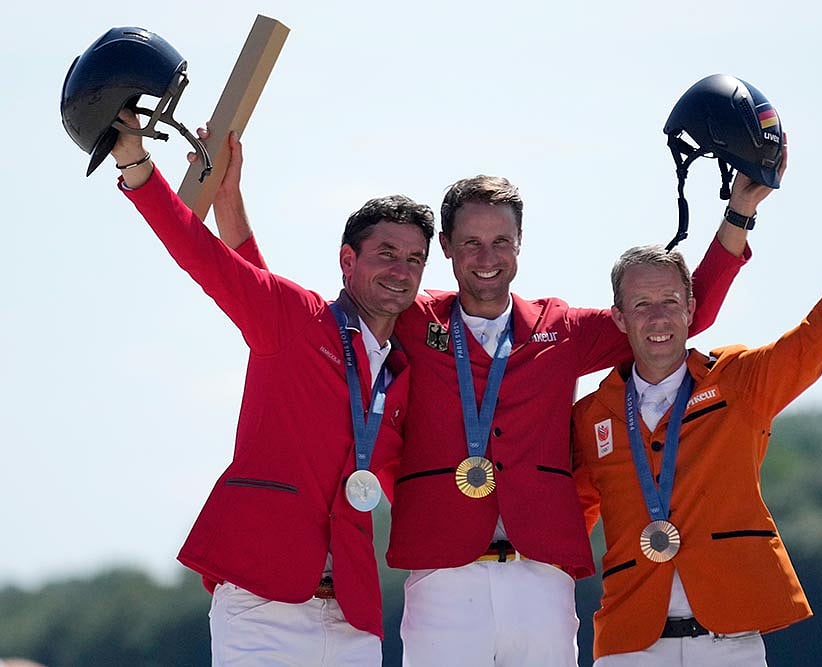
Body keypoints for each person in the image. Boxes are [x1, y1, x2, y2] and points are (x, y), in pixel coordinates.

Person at [208, 140, 778, 667]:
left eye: (501, 240)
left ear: (519, 246)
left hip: (541, 576)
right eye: (472, 242)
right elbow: (273, 308)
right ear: (448, 249)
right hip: (442, 578)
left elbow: (677, 317)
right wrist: (229, 202)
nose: (488, 256)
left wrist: (738, 216)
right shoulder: (409, 318)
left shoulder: (561, 329)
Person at [109, 112, 436, 666]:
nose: (401, 271)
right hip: (263, 605)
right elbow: (204, 256)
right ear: (347, 260)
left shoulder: (401, 373)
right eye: (387, 254)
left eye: (415, 260)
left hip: (353, 614)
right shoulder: (296, 319)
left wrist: (230, 200)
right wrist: (135, 162)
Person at [570, 191, 822, 665]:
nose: (659, 317)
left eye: (670, 301)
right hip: (629, 643)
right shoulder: (591, 416)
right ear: (620, 318)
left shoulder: (738, 381)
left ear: (690, 309)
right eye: (642, 304)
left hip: (730, 642)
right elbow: (568, 519)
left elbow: (816, 338)